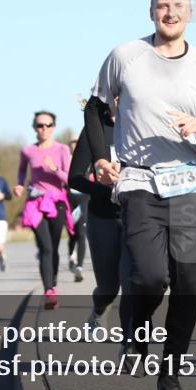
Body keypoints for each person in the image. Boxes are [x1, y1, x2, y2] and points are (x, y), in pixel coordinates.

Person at [84, 0, 196, 390]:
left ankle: (169, 376)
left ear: (189, 13)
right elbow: (97, 110)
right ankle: (135, 328)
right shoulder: (125, 57)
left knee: (190, 280)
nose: (169, 12)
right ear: (151, 11)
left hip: (190, 182)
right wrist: (101, 158)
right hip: (139, 180)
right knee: (150, 275)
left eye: (177, 6)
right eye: (161, 6)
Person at [69, 106, 132, 346]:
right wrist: (105, 190)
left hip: (137, 215)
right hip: (103, 216)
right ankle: (99, 310)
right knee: (109, 287)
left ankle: (130, 343)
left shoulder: (144, 124)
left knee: (132, 281)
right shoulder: (95, 130)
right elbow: (75, 177)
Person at [16, 111, 74, 309]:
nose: (44, 129)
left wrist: (55, 170)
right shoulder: (27, 151)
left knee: (54, 247)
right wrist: (19, 185)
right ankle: (49, 289)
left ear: (53, 127)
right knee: (45, 247)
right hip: (35, 203)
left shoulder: (62, 149)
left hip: (57, 202)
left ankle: (53, 283)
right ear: (34, 127)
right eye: (40, 125)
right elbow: (22, 170)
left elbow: (71, 179)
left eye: (48, 125)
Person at [67, 139, 88, 283]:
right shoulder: (65, 159)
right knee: (72, 233)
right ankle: (71, 256)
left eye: (77, 143)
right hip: (68, 200)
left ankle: (79, 266)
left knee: (81, 232)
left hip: (83, 199)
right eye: (72, 144)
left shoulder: (86, 157)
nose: (75, 146)